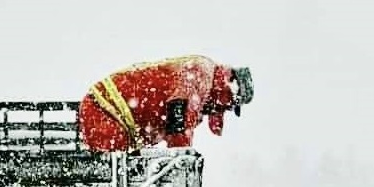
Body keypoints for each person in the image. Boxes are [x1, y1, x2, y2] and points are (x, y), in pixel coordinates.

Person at [78, 55, 254, 152]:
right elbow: (178, 119)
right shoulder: (201, 76)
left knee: (127, 174)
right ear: (230, 87)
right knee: (117, 174)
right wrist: (181, 159)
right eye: (231, 105)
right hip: (106, 110)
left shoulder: (207, 85)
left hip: (113, 114)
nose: (227, 109)